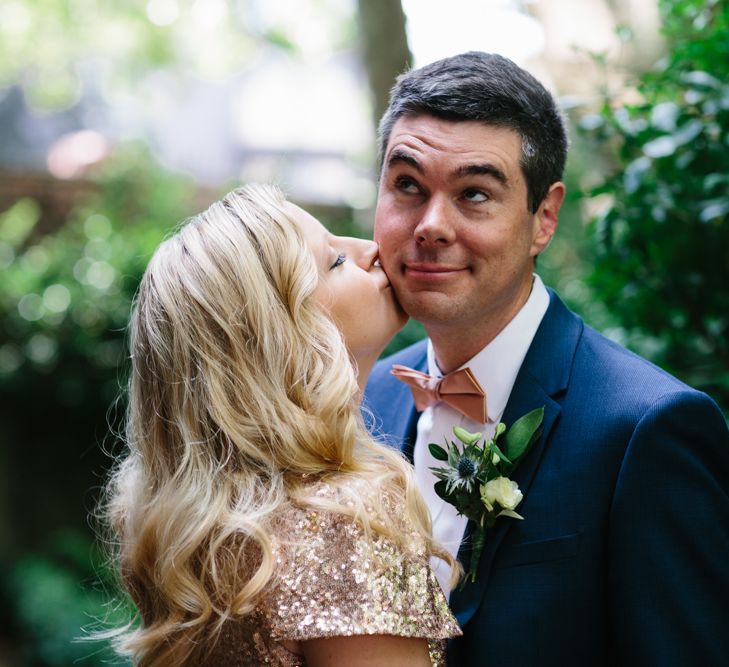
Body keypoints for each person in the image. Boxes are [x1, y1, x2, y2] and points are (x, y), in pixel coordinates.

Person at [364, 51, 729, 666]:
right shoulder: (367, 396)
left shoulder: (649, 430)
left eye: (474, 193)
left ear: (544, 218)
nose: (430, 225)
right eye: (407, 186)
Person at [101, 184, 461, 666]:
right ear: (282, 341)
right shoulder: (344, 518)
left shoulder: (198, 528)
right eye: (334, 261)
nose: (371, 250)